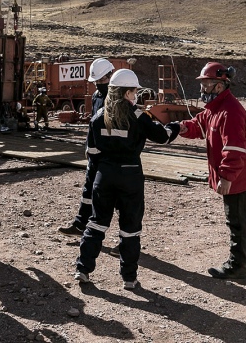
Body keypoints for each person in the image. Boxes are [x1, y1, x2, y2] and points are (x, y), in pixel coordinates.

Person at [173, 62, 246, 280]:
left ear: (219, 86)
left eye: (206, 85)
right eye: (202, 84)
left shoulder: (230, 112)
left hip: (240, 176)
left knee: (237, 220)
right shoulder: (215, 109)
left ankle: (237, 267)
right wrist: (184, 127)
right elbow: (200, 125)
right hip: (245, 174)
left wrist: (226, 177)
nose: (202, 89)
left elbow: (234, 150)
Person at [74, 69, 179, 290]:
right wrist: (177, 126)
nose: (136, 95)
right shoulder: (139, 116)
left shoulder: (98, 116)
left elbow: (92, 153)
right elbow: (164, 136)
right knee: (130, 229)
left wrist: (94, 183)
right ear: (128, 92)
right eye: (134, 92)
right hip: (130, 176)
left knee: (96, 223)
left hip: (104, 176)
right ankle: (129, 278)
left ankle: (83, 269)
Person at [58, 57, 115, 237]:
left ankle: (124, 237)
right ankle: (80, 224)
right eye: (96, 81)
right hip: (94, 153)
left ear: (110, 76)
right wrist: (89, 147)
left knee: (114, 195)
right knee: (88, 189)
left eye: (102, 80)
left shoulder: (116, 100)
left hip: (109, 155)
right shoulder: (97, 97)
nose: (99, 84)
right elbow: (93, 125)